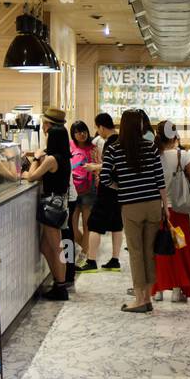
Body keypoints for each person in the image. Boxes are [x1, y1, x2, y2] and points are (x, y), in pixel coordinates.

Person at [102, 108, 168, 313]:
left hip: (131, 206)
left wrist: (121, 187)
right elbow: (160, 180)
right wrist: (166, 207)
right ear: (138, 125)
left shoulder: (114, 149)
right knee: (149, 252)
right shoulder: (151, 147)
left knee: (136, 253)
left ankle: (139, 300)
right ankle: (147, 296)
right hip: (153, 205)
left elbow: (104, 178)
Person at [23, 107, 73, 301]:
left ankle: (60, 287)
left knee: (56, 246)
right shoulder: (61, 156)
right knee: (46, 246)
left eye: (46, 127)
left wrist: (35, 158)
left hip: (52, 204)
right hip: (58, 202)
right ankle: (58, 282)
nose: (43, 129)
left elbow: (32, 176)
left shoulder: (52, 159)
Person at [152, 119, 190, 303]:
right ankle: (177, 288)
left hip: (156, 208)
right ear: (174, 135)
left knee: (158, 247)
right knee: (180, 247)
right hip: (179, 210)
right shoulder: (182, 156)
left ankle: (157, 288)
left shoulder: (152, 155)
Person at [81, 114, 123, 273]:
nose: (98, 133)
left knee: (95, 223)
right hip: (119, 189)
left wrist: (94, 167)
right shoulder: (121, 139)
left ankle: (91, 261)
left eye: (98, 129)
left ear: (102, 127)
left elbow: (110, 166)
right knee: (116, 224)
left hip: (107, 188)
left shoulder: (111, 142)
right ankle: (115, 260)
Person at [68, 120, 98, 266]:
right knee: (72, 225)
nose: (82, 134)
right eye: (78, 132)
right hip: (72, 189)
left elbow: (99, 166)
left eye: (84, 131)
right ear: (73, 134)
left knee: (87, 224)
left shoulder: (93, 148)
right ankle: (86, 247)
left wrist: (94, 169)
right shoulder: (70, 146)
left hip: (89, 190)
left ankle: (84, 254)